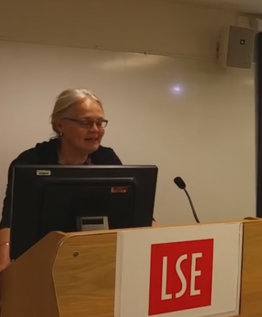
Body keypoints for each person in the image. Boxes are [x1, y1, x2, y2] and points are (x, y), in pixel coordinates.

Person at [0, 88, 154, 275]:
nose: (95, 130)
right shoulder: (31, 162)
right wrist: (5, 260)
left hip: (96, 259)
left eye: (100, 122)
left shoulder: (107, 158)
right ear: (60, 125)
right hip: (42, 261)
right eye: (85, 122)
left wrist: (164, 238)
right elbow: (11, 218)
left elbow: (132, 210)